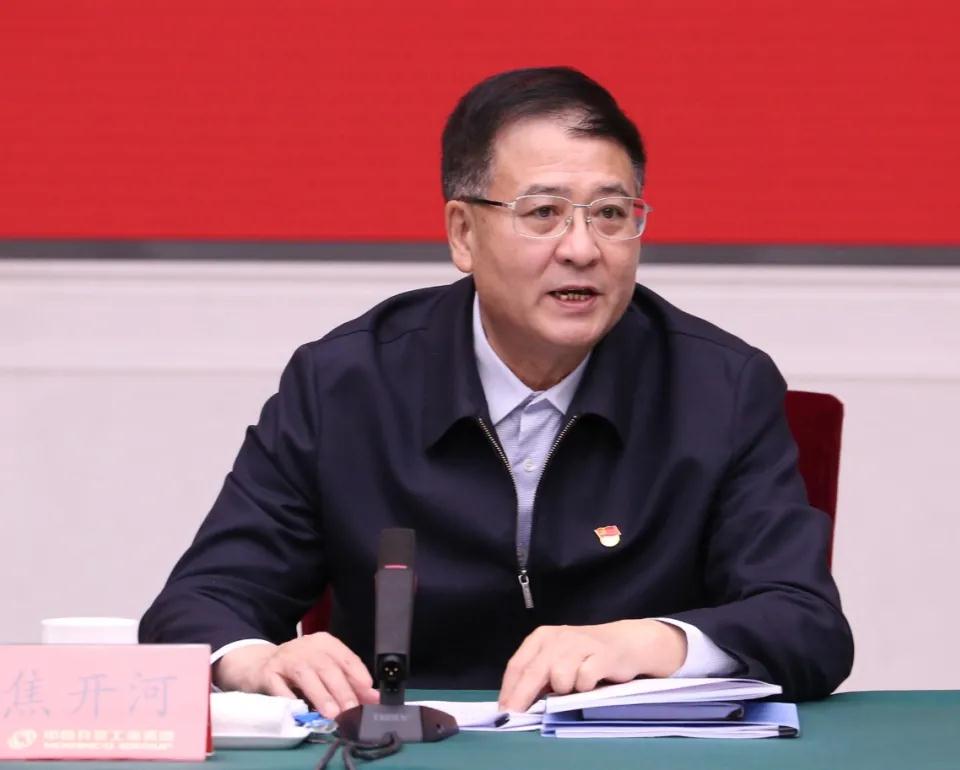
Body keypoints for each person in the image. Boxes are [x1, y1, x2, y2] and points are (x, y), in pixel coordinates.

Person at [140, 66, 854, 717]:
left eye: (611, 214)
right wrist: (257, 660)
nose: (582, 248)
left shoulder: (719, 388)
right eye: (543, 213)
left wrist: (651, 642)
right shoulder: (345, 385)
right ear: (463, 233)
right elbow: (199, 604)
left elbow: (806, 624)